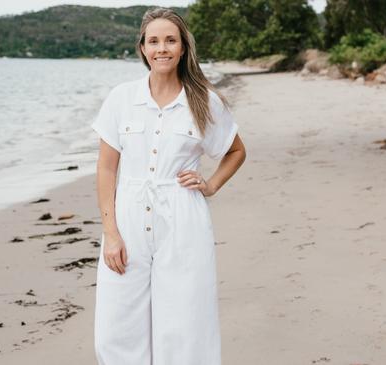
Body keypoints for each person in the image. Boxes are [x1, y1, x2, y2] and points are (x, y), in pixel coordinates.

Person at [91, 7, 246, 365]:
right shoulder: (121, 98)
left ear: (182, 49)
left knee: (184, 325)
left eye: (170, 40)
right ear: (142, 48)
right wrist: (110, 232)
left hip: (183, 221)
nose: (162, 48)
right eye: (154, 41)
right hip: (128, 221)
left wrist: (211, 185)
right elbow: (106, 169)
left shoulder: (204, 101)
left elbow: (236, 151)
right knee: (116, 330)